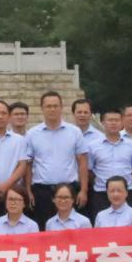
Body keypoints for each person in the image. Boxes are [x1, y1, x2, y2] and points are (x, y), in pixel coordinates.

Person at [26, 91, 89, 229]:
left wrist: (83, 190)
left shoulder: (74, 132)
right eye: (48, 106)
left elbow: (82, 162)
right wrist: (28, 190)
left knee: (71, 228)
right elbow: (28, 165)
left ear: (61, 107)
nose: (52, 109)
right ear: (42, 108)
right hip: (42, 192)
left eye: (55, 106)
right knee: (45, 229)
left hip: (69, 190)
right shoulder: (32, 134)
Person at [86, 108, 132, 217]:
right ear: (103, 122)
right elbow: (89, 170)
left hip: (126, 192)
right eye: (110, 120)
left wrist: (125, 184)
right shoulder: (93, 146)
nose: (113, 123)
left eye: (117, 120)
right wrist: (100, 181)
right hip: (101, 193)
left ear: (122, 123)